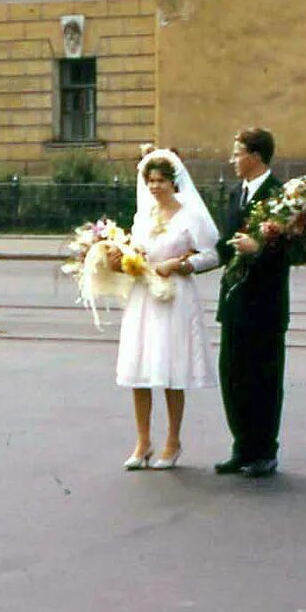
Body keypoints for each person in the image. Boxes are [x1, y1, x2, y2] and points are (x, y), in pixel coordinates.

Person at [188, 128, 306, 479]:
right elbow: (226, 246)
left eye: (237, 152)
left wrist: (261, 249)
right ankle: (242, 447)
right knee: (233, 376)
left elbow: (299, 251)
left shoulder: (282, 195)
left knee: (264, 380)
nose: (232, 159)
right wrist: (187, 265)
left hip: (266, 305)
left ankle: (264, 451)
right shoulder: (236, 192)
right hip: (235, 303)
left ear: (255, 156)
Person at [107, 149, 219, 471]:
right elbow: (136, 250)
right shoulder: (144, 215)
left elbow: (211, 255)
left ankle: (173, 440)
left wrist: (182, 264)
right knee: (139, 366)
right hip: (144, 294)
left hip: (175, 295)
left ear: (174, 182)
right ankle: (143, 440)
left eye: (161, 181)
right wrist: (123, 261)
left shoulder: (190, 215)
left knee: (172, 368)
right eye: (151, 181)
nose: (155, 187)